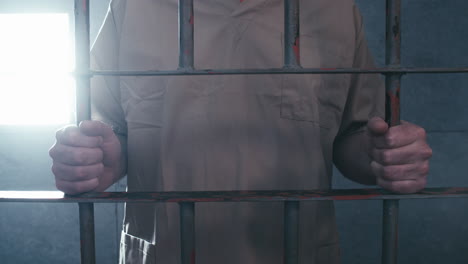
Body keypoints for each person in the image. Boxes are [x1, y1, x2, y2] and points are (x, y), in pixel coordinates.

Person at [49, 0, 432, 263]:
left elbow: (354, 134)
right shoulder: (133, 7)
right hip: (165, 253)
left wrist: (385, 157)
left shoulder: (332, 10)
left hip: (294, 251)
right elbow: (105, 134)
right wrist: (92, 161)